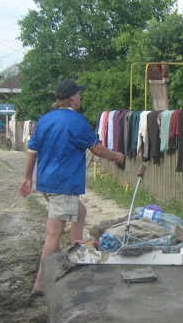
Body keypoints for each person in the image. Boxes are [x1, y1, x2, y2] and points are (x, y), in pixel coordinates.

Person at [18, 80, 125, 296]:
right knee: (53, 234)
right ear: (72, 97)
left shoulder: (45, 119)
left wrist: (27, 178)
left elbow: (32, 151)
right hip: (64, 184)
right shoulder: (75, 121)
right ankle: (40, 284)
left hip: (47, 183)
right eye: (79, 94)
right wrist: (117, 155)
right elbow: (97, 149)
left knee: (80, 213)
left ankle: (76, 255)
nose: (81, 98)